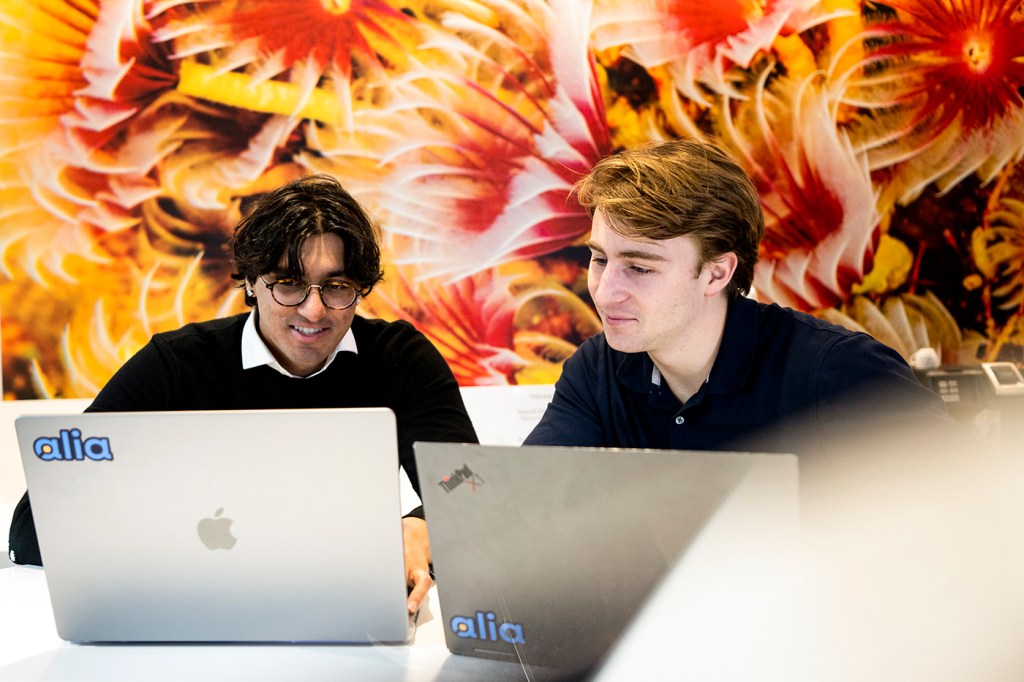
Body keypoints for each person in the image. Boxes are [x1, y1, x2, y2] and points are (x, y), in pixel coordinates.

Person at [8, 174, 478, 614]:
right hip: (196, 610)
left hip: (351, 617)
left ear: (360, 289)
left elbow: (467, 483)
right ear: (251, 281)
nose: (313, 310)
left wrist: (420, 525)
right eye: (289, 283)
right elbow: (34, 527)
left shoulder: (399, 357)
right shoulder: (178, 364)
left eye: (337, 286)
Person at [524, 138, 953, 456]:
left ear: (717, 272)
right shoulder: (596, 368)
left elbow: (975, 522)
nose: (605, 290)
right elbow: (521, 508)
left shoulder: (840, 373)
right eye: (599, 259)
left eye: (639, 268)